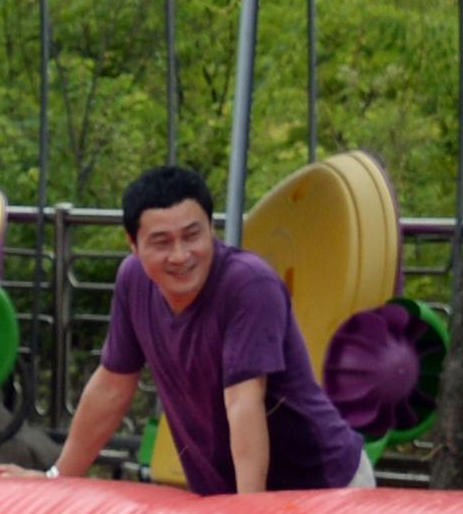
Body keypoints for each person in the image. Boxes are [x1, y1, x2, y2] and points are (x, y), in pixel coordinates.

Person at [50, 164, 369, 495]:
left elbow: (243, 403)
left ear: (211, 228)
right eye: (161, 242)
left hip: (322, 484)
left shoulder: (248, 284)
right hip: (226, 494)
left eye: (192, 235)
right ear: (133, 243)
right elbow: (112, 386)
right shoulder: (133, 281)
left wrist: (250, 513)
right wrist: (57, 478)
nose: (181, 255)